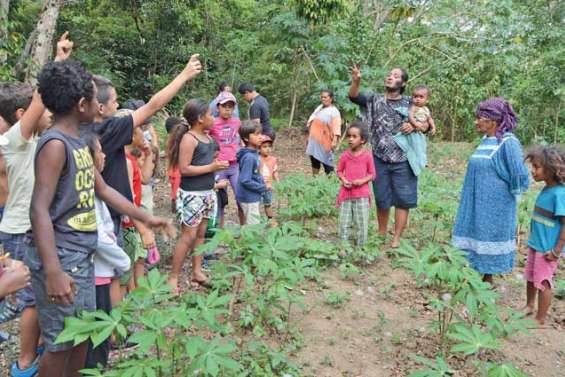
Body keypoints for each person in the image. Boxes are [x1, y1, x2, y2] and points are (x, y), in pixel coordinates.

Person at [29, 59, 174, 377]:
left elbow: (105, 189)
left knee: (83, 336)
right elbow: (38, 209)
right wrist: (53, 271)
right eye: (96, 98)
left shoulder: (81, 141)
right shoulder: (55, 145)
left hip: (82, 255)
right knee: (59, 344)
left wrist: (147, 217)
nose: (102, 104)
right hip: (62, 258)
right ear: (82, 105)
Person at [0, 32, 73, 377]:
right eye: (34, 108)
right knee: (31, 298)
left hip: (34, 228)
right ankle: (25, 362)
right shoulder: (15, 141)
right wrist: (57, 61)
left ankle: (37, 350)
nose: (44, 112)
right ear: (21, 113)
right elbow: (39, 102)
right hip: (20, 231)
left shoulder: (41, 141)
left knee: (40, 295)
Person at [88, 54, 202, 244]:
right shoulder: (108, 129)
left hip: (102, 213)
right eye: (114, 101)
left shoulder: (80, 130)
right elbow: (153, 106)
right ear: (100, 107)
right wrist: (184, 75)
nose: (117, 105)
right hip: (108, 218)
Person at [452, 98, 529, 285]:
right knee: (476, 233)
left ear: (493, 120)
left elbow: (519, 174)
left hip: (495, 205)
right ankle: (476, 276)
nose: (476, 122)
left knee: (488, 235)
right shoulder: (486, 140)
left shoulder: (508, 143)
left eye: (480, 118)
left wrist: (508, 196)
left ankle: (487, 279)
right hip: (476, 201)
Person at [349, 65, 420, 248]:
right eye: (389, 74)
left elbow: (425, 122)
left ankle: (396, 238)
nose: (390, 77)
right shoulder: (374, 100)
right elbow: (354, 96)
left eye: (396, 76)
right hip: (379, 158)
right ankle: (381, 233)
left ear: (403, 83)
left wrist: (415, 126)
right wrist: (356, 81)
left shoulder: (410, 104)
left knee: (403, 200)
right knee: (382, 198)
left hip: (404, 159)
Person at [167, 99, 228, 293]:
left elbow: (201, 163)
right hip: (192, 194)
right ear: (200, 118)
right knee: (188, 236)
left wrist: (215, 166)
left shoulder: (208, 138)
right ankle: (173, 277)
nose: (213, 117)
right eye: (210, 114)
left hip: (207, 192)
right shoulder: (190, 139)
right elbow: (184, 169)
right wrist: (211, 167)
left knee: (201, 234)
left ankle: (197, 271)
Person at [82, 132, 131, 369]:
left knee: (98, 333)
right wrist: (124, 262)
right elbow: (98, 237)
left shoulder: (94, 188)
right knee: (97, 336)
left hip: (100, 272)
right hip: (97, 275)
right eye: (99, 151)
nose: (103, 155)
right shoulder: (88, 193)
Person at [523, 145, 565, 325]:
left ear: (551, 169)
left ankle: (540, 318)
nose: (533, 171)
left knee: (544, 281)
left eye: (536, 167)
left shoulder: (560, 194)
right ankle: (529, 305)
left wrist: (556, 250)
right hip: (536, 244)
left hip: (547, 248)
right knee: (531, 277)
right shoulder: (547, 188)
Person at [336, 121, 376, 251]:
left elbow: (372, 174)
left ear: (363, 140)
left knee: (362, 224)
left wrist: (362, 181)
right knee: (344, 223)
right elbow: (339, 171)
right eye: (349, 136)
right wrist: (343, 179)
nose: (350, 139)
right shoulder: (345, 156)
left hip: (362, 196)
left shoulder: (367, 156)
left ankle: (360, 249)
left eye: (354, 136)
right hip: (346, 194)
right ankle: (343, 247)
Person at [209, 90, 245, 225]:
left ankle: (244, 230)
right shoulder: (212, 123)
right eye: (224, 106)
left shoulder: (237, 122)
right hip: (219, 166)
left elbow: (242, 139)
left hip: (235, 165)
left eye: (230, 106)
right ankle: (220, 232)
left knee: (241, 197)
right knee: (220, 200)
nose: (227, 109)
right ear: (218, 107)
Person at [393, 85, 436, 177]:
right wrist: (415, 125)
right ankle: (418, 162)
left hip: (420, 133)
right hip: (414, 131)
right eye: (415, 97)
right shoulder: (414, 107)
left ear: (427, 99)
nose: (418, 99)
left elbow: (430, 119)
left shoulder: (426, 109)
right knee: (414, 147)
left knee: (422, 146)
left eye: (421, 97)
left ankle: (423, 161)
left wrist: (433, 127)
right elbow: (410, 116)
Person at [236, 121, 266, 225]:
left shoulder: (253, 153)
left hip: (251, 195)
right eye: (256, 134)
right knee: (253, 227)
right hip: (248, 197)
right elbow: (245, 180)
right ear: (246, 138)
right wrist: (263, 187)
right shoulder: (249, 157)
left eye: (261, 134)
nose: (260, 137)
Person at [306, 90, 342, 175]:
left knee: (327, 163)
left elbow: (337, 126)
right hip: (314, 140)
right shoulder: (319, 108)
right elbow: (312, 121)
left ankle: (330, 183)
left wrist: (334, 140)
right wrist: (308, 137)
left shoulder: (334, 111)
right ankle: (315, 181)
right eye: (322, 97)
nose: (323, 99)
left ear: (331, 98)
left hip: (325, 142)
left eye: (325, 97)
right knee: (314, 161)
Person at [165, 116, 184, 213]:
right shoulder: (178, 140)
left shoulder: (170, 140)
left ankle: (175, 207)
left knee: (175, 190)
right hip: (177, 171)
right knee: (176, 192)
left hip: (172, 170)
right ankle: (176, 208)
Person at [259, 136, 279, 220]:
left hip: (269, 186)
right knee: (256, 204)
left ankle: (270, 220)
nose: (267, 149)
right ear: (258, 148)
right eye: (264, 147)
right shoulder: (256, 159)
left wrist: (278, 182)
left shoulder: (273, 159)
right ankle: (256, 221)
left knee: (268, 204)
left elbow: (275, 171)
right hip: (258, 187)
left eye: (269, 146)